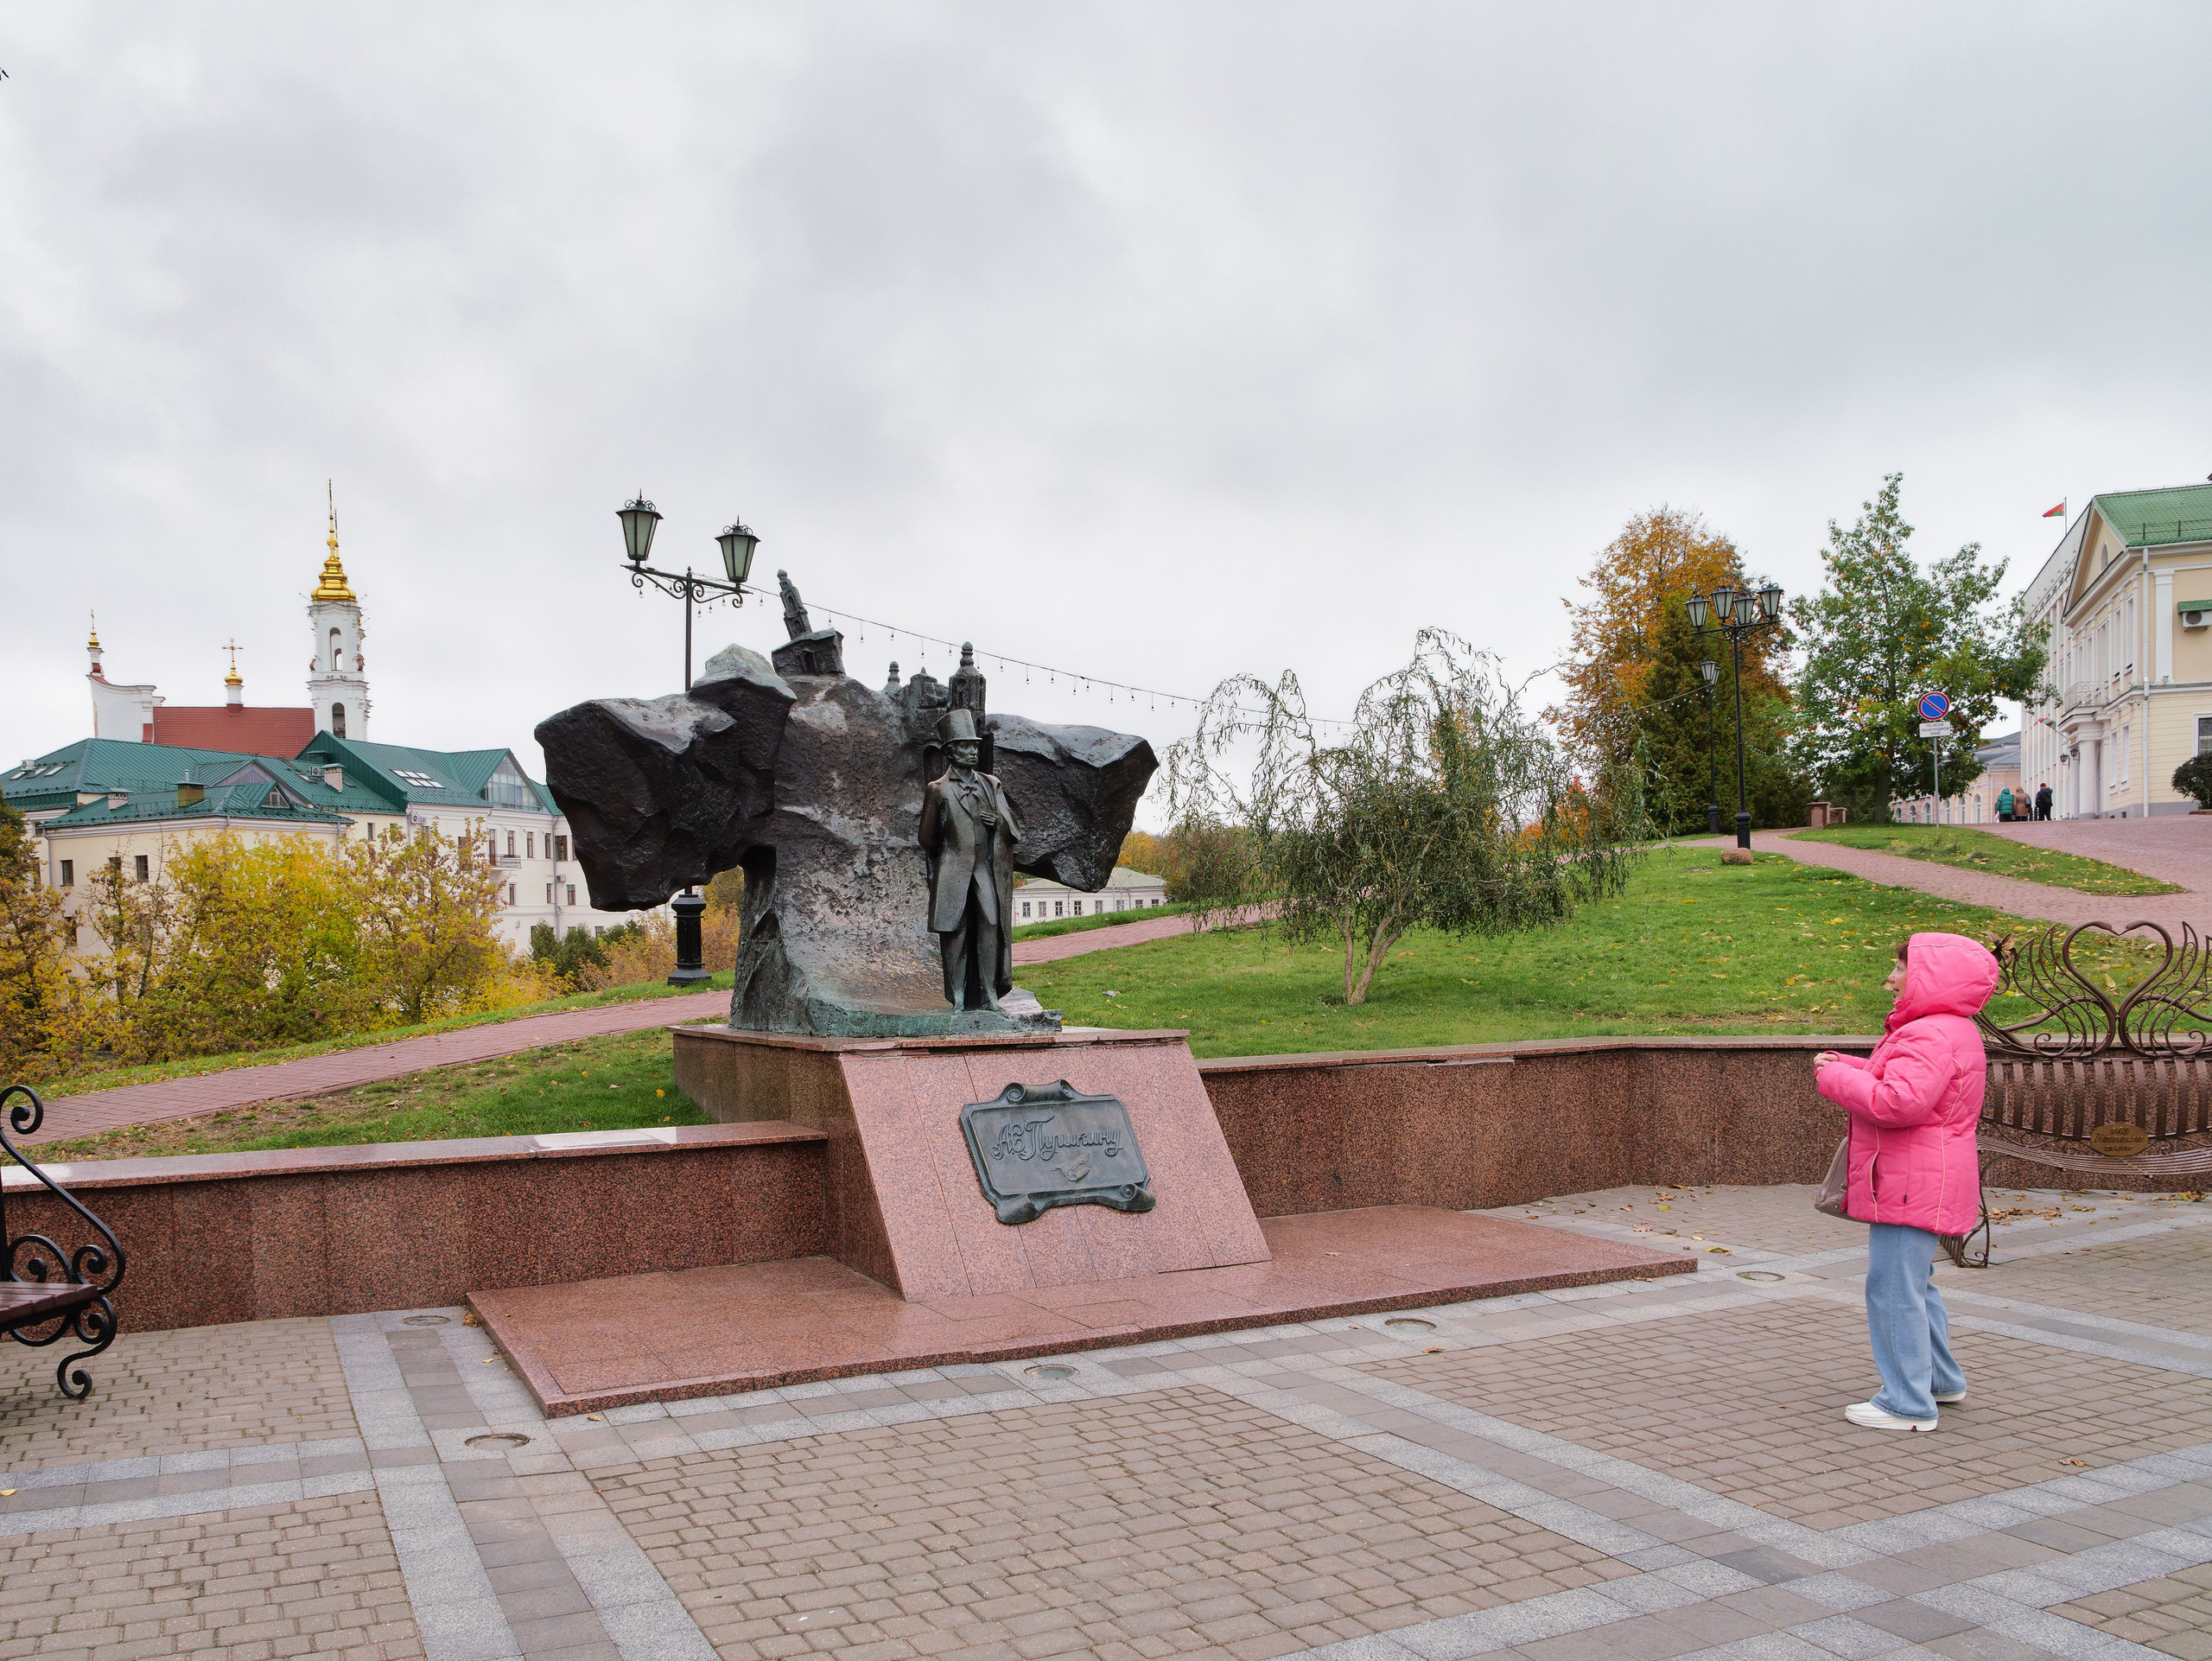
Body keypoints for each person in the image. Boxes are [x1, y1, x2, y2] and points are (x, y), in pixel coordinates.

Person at [1813, 932, 1999, 1431]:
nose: (1889, 980)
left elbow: (1897, 1104)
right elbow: (1899, 1082)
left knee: (1893, 1287)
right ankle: (1939, 1380)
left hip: (1912, 1180)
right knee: (1916, 1284)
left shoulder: (1928, 1035)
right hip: (1928, 1175)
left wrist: (1832, 1079)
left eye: (1898, 970)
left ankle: (1907, 1403)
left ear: (1926, 979)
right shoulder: (1945, 1030)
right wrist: (1847, 1065)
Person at [919, 708, 1020, 1012]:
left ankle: (990, 995)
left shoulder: (991, 784)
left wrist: (996, 825)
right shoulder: (938, 790)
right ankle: (958, 998)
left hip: (983, 869)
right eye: (966, 746)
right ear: (951, 752)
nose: (973, 752)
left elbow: (1012, 828)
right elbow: (926, 838)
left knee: (991, 923)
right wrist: (949, 854)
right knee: (956, 932)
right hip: (953, 870)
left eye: (975, 746)